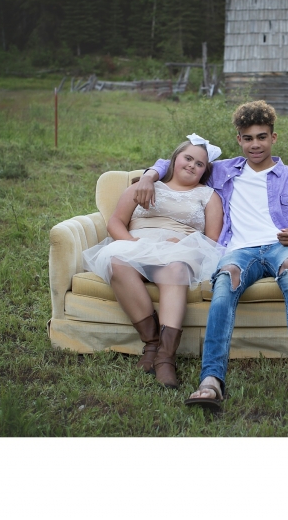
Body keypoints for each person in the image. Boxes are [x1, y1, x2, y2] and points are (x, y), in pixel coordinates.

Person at [134, 100, 288, 414]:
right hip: (238, 251)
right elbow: (175, 161)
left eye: (262, 137)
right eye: (248, 138)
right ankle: (211, 380)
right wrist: (148, 175)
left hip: (284, 249)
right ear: (239, 140)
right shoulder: (222, 172)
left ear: (273, 138)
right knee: (224, 282)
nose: (255, 144)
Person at [82, 134, 224, 389]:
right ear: (174, 160)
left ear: (205, 171)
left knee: (175, 268)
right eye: (188, 158)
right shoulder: (144, 185)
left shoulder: (208, 195)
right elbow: (115, 221)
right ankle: (152, 345)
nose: (192, 165)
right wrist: (133, 244)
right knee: (117, 261)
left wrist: (184, 244)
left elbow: (212, 238)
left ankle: (166, 359)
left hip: (180, 249)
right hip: (136, 243)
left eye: (199, 164)